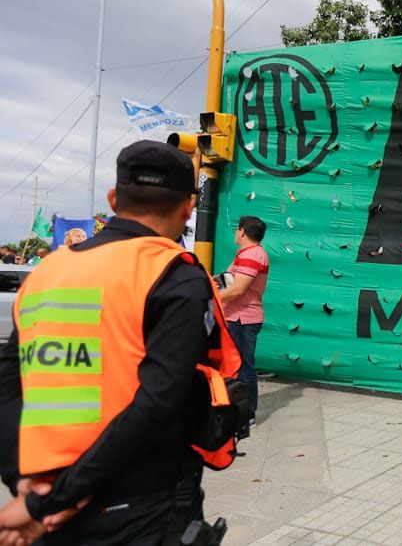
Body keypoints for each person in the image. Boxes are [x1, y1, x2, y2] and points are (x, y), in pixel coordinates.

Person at [0, 140, 244, 546]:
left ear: (114, 199)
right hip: (134, 503)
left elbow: (7, 382)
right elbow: (158, 402)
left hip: (47, 492)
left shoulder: (47, 271)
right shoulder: (175, 275)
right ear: (188, 208)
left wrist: (25, 485)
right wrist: (58, 498)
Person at [220, 216, 269, 438]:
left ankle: (247, 415)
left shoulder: (251, 255)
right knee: (236, 366)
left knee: (244, 368)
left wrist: (211, 298)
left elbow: (238, 290)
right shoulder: (245, 255)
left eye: (236, 230)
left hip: (243, 319)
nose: (235, 233)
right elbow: (230, 282)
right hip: (236, 317)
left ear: (242, 232)